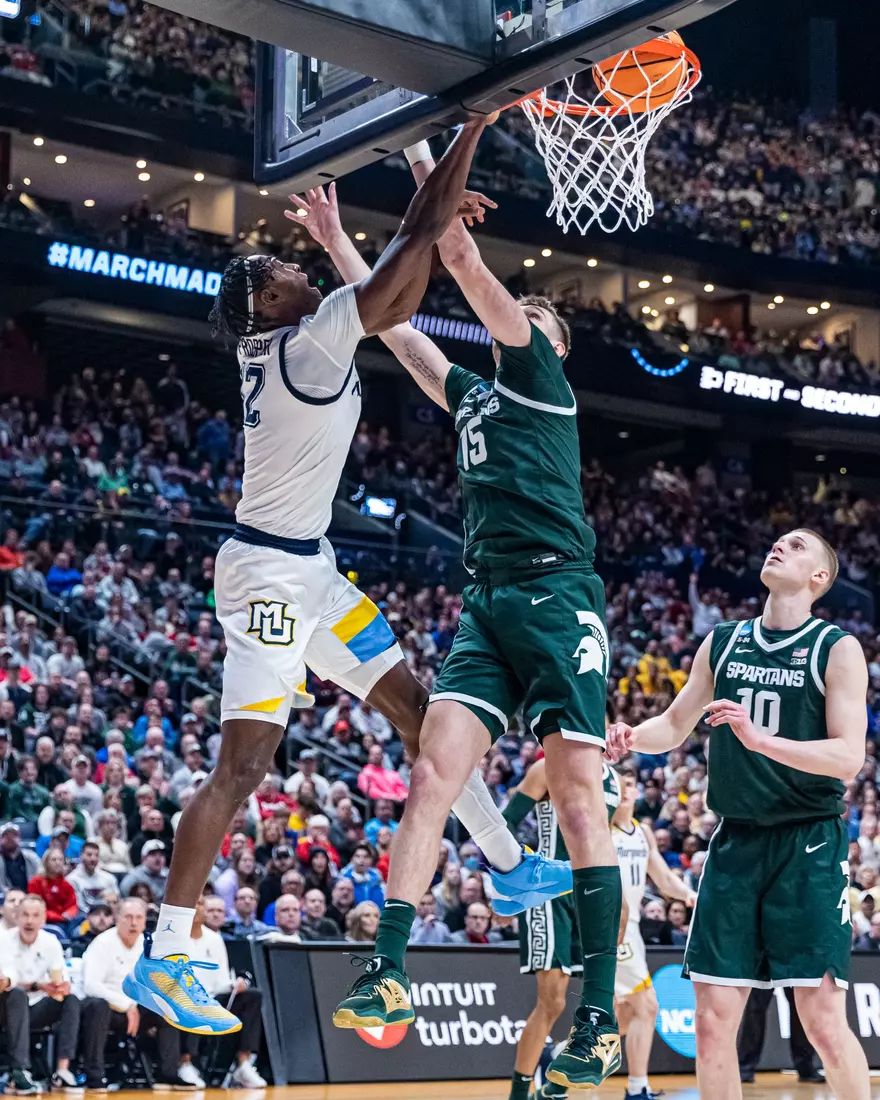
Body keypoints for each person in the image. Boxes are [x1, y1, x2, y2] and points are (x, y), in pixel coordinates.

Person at [124, 117, 567, 1035]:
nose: (295, 268)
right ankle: (163, 956)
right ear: (267, 303)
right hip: (269, 585)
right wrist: (460, 143)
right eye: (282, 270)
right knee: (244, 765)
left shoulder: (297, 338)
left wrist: (401, 214)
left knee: (416, 707)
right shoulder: (303, 341)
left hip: (310, 570)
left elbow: (399, 279)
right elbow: (406, 269)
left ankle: (505, 862)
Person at [305, 166, 622, 1088]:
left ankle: (595, 1016)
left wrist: (424, 160)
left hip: (560, 600)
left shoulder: (539, 379)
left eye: (532, 317)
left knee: (575, 803)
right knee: (432, 774)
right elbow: (394, 327)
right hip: (488, 602)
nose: (514, 317)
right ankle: (387, 968)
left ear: (549, 346)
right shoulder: (477, 397)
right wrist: (335, 245)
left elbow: (457, 254)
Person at [606, 529, 871, 1100]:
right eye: (778, 542)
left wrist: (760, 740)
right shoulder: (723, 643)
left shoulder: (837, 648)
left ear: (819, 579)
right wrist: (632, 736)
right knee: (711, 1021)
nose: (780, 547)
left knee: (823, 1020)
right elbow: (674, 725)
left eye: (798, 547)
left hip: (808, 845)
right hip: (735, 845)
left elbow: (848, 757)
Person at [501, 756, 622, 1100]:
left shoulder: (615, 780)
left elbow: (610, 845)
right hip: (549, 893)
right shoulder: (545, 768)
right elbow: (506, 821)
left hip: (593, 893)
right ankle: (520, 1093)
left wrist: (621, 906)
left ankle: (555, 1087)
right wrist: (513, 878)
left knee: (598, 1001)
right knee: (552, 1000)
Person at [612, 772, 696, 1100]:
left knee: (627, 1013)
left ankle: (559, 1053)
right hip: (611, 928)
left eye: (629, 785)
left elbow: (661, 876)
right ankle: (636, 1088)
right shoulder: (600, 828)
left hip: (631, 929)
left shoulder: (643, 831)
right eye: (618, 784)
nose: (623, 789)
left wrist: (689, 896)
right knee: (647, 1005)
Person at [80, 898, 197, 1091]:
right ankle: (94, 1076)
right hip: (108, 1009)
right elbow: (91, 986)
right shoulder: (102, 943)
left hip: (138, 1010)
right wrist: (127, 1005)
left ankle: (168, 1074)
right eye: (128, 917)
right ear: (117, 919)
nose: (133, 923)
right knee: (97, 1005)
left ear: (144, 921)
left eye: (138, 917)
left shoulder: (150, 946)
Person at [0, 895, 82, 1094]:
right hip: (7, 1007)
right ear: (17, 917)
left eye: (35, 915)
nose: (29, 921)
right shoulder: (4, 939)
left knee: (71, 1001)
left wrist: (60, 986)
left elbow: (60, 978)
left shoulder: (51, 942)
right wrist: (38, 985)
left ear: (43, 919)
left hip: (36, 1007)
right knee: (17, 994)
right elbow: (7, 979)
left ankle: (62, 1071)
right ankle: (20, 1070)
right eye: (25, 915)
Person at [186, 896, 267, 1088]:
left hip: (214, 998)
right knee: (188, 1000)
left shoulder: (215, 939)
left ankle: (244, 1064)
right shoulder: (174, 938)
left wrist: (235, 984)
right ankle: (186, 1063)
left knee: (253, 996)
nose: (195, 908)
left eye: (199, 904)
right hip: (185, 998)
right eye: (192, 903)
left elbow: (221, 979)